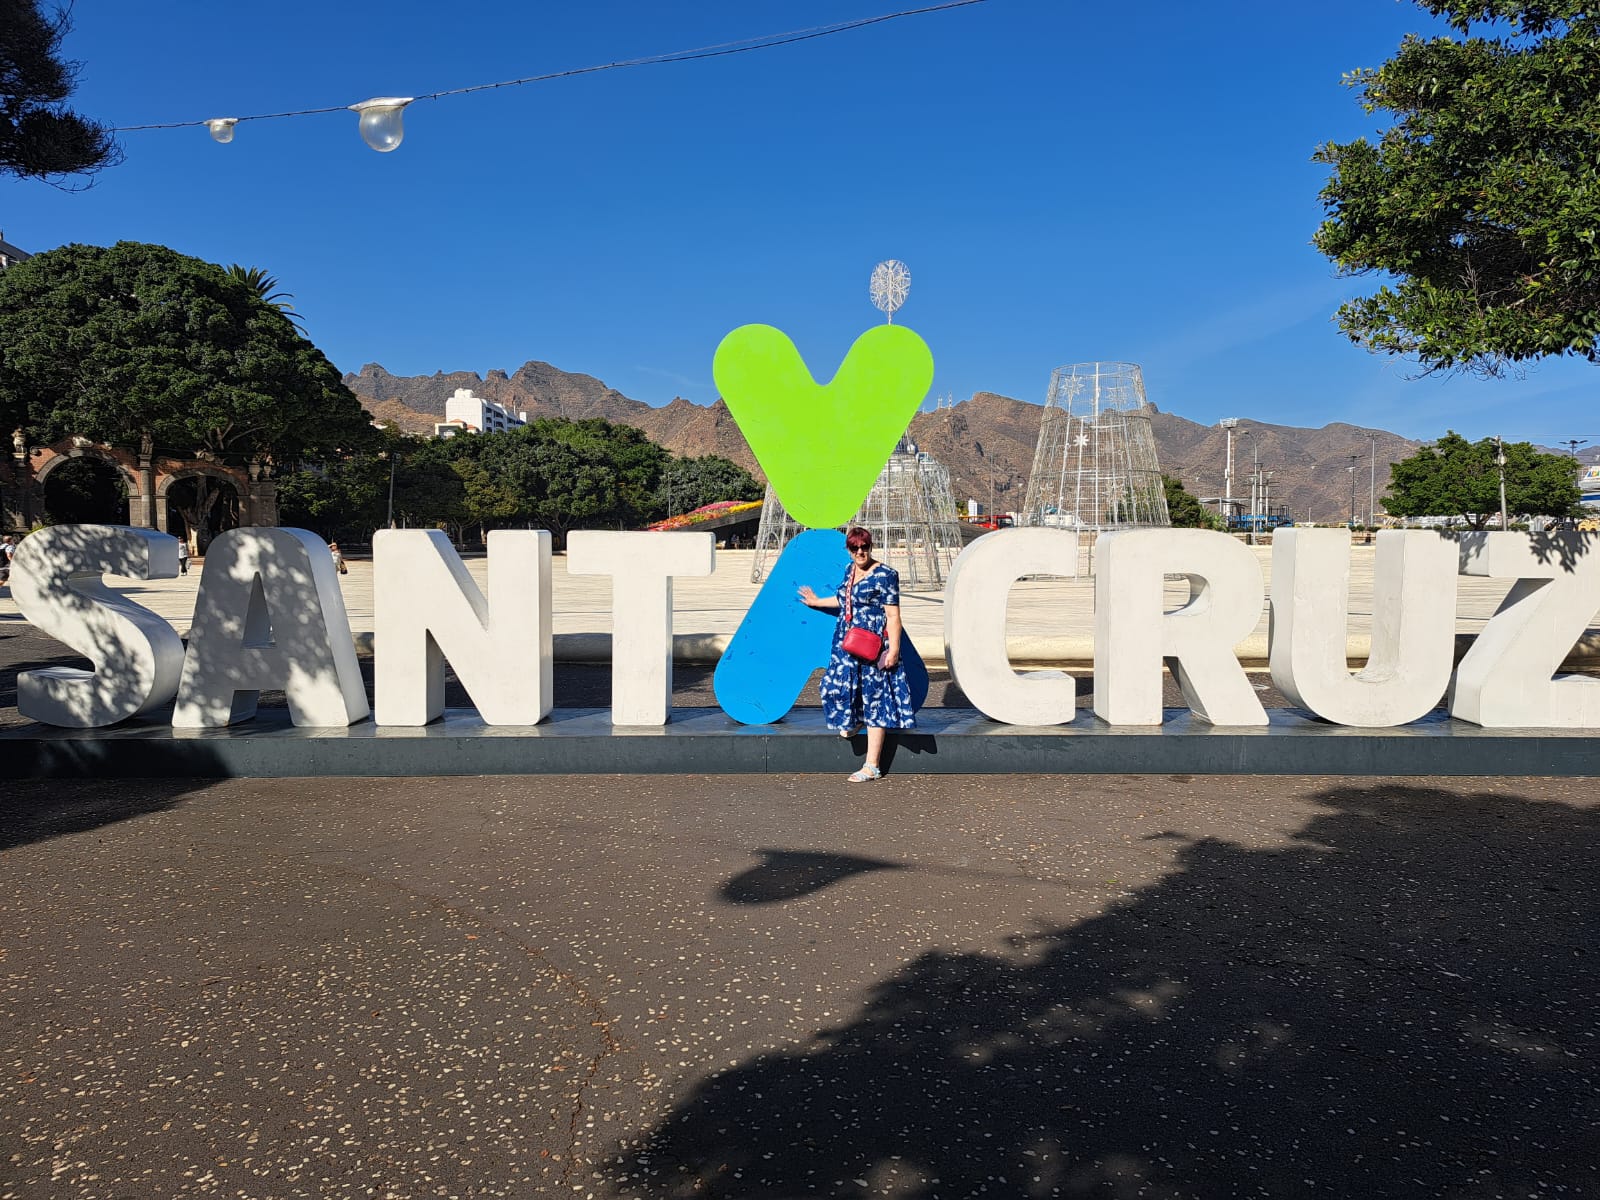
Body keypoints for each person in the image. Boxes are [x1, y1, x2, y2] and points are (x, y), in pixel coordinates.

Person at [798, 526, 917, 782]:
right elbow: (844, 600)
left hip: (872, 645)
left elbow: (893, 615)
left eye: (864, 547)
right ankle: (853, 722)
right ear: (849, 549)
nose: (860, 552)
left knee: (875, 699)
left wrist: (893, 650)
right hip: (846, 643)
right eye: (855, 548)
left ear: (870, 547)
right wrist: (817, 601)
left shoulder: (886, 575)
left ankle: (872, 766)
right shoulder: (849, 570)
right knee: (833, 687)